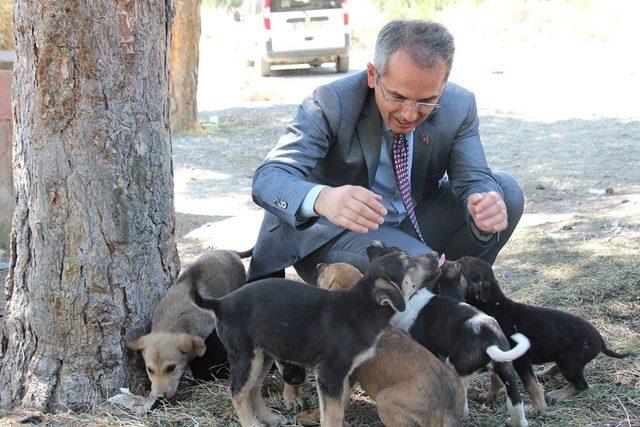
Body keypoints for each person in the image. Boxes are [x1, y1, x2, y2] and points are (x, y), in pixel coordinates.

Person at [247, 20, 524, 284]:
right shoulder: (331, 102)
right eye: (397, 96)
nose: (409, 114)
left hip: (410, 222)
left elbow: (474, 179)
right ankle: (436, 303)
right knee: (417, 267)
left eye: (427, 100)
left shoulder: (459, 105)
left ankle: (455, 297)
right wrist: (324, 198)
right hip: (334, 234)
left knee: (506, 192)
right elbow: (269, 177)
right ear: (372, 75)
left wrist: (484, 204)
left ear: (443, 85)